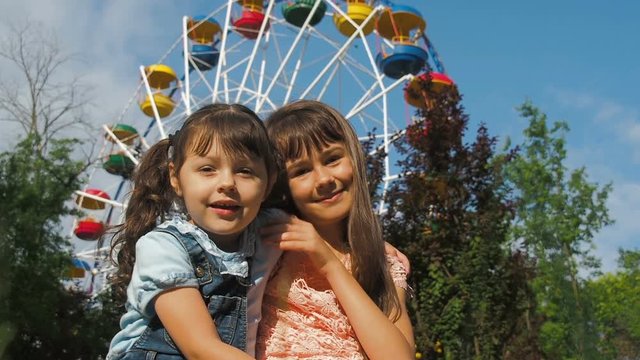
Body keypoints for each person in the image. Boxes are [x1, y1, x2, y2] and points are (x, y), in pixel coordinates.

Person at [106, 103, 282, 360]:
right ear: (175, 178)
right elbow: (200, 349)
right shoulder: (163, 247)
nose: (227, 184)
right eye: (207, 169)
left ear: (269, 182)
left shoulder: (272, 234)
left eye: (245, 171)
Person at [256, 100, 415, 360]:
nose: (324, 179)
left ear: (353, 158)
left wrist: (330, 263)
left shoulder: (384, 264)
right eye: (302, 171)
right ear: (280, 184)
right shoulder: (269, 243)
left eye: (332, 159)